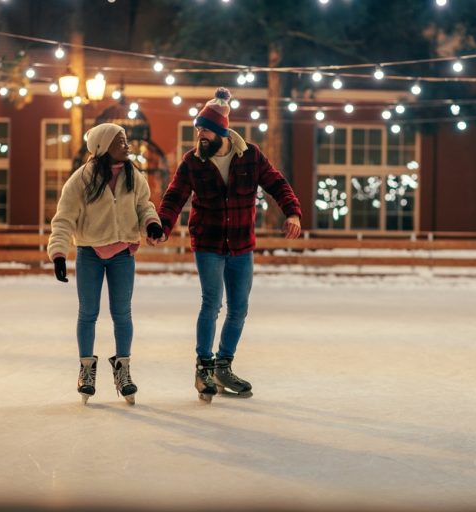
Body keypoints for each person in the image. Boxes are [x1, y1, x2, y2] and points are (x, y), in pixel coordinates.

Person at [153, 87, 302, 403]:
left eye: (205, 130)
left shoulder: (250, 155)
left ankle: (223, 365)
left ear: (221, 131)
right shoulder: (193, 162)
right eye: (198, 130)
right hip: (207, 243)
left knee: (239, 308)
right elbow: (174, 196)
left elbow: (278, 184)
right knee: (211, 303)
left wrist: (292, 212)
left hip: (241, 245)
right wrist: (163, 226)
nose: (200, 136)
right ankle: (203, 367)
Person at [47, 123, 165, 405]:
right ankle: (86, 369)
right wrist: (59, 253)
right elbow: (64, 218)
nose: (127, 146)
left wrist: (152, 224)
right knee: (88, 312)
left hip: (123, 253)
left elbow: (144, 205)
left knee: (122, 313)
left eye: (125, 141)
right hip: (89, 252)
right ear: (103, 147)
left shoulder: (133, 176)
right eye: (120, 142)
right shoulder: (82, 179)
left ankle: (123, 369)